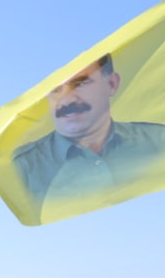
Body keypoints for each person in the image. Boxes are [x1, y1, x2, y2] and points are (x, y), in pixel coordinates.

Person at [12, 53, 165, 213]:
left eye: (80, 83)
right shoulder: (23, 167)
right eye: (55, 90)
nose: (67, 100)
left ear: (112, 84)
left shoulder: (159, 141)